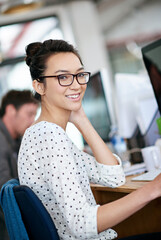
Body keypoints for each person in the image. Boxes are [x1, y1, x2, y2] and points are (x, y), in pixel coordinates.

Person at [18, 39, 161, 240]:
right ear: (39, 86)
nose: (76, 85)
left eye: (79, 75)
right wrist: (152, 189)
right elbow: (82, 224)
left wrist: (81, 119)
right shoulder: (48, 137)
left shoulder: (45, 133)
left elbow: (114, 178)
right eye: (63, 77)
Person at [0, 89, 39, 240]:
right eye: (29, 114)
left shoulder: (18, 140)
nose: (32, 121)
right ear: (10, 110)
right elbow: (3, 187)